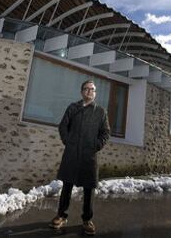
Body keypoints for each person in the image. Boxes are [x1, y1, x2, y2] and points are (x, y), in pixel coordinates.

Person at [49, 80, 110, 236]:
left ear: (95, 93)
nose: (89, 91)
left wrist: (95, 145)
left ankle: (87, 220)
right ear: (81, 91)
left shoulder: (101, 112)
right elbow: (63, 126)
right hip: (71, 153)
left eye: (92, 89)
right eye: (86, 89)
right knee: (67, 185)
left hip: (89, 156)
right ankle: (61, 215)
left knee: (89, 189)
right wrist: (68, 141)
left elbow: (105, 133)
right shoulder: (73, 108)